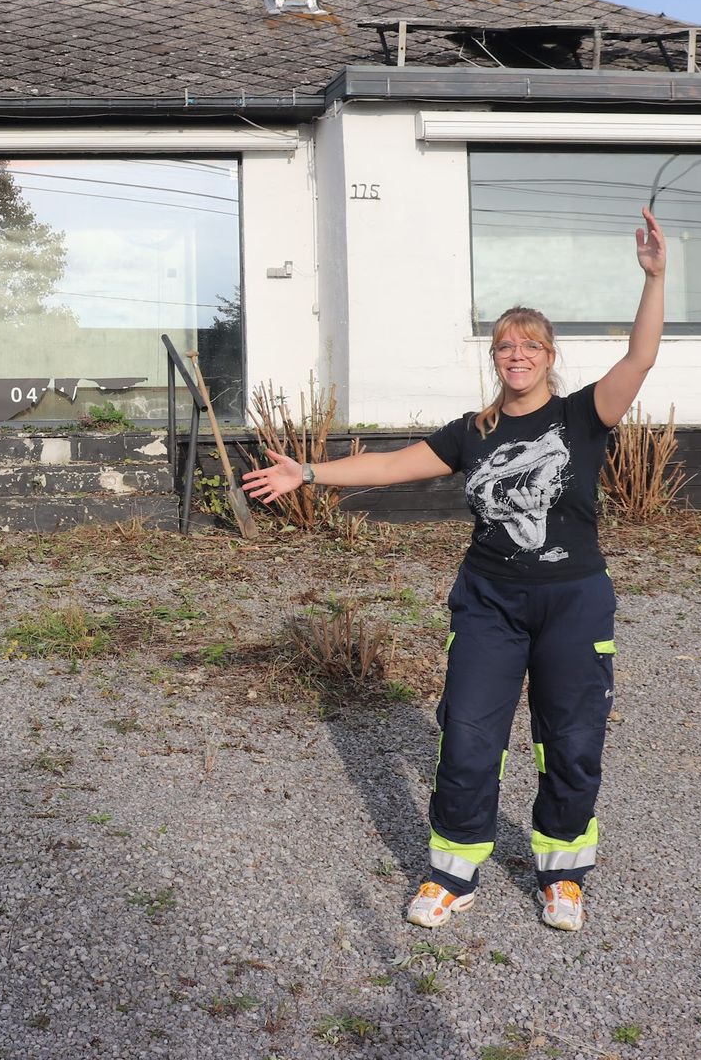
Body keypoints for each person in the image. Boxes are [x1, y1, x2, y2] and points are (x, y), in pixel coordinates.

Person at [244, 206, 666, 933]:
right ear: (494, 357)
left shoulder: (581, 417)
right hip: (489, 601)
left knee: (570, 739)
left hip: (574, 599)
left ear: (549, 354)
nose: (516, 355)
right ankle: (452, 871)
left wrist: (654, 279)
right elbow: (390, 464)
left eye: (530, 345)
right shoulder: (473, 433)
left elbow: (640, 358)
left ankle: (562, 873)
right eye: (505, 345)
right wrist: (308, 470)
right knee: (468, 735)